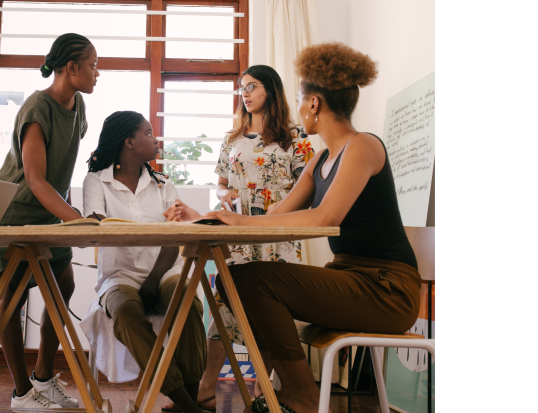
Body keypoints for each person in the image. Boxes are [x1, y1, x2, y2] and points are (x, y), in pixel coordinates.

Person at [166, 42, 421, 413]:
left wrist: (236, 218)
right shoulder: (321, 159)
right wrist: (205, 217)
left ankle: (300, 394)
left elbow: (324, 218)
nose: (299, 107)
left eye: (301, 99)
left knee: (252, 281)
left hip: (386, 288)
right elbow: (271, 220)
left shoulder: (363, 146)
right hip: (351, 277)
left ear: (314, 103)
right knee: (238, 280)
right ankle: (292, 392)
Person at [164, 65, 315, 412]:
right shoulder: (231, 138)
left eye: (252, 86)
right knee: (222, 308)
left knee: (271, 314)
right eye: (241, 88)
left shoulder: (296, 138)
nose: (245, 94)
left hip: (277, 234)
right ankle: (205, 390)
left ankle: (261, 395)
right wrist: (225, 195)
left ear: (271, 90)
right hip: (236, 233)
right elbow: (221, 183)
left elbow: (309, 188)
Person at [0, 33, 99, 410]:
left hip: (51, 214)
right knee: (14, 298)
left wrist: (70, 216)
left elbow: (64, 168)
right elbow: (34, 179)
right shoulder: (37, 106)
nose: (98, 73)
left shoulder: (78, 106)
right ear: (71, 68)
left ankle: (44, 379)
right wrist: (78, 220)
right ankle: (21, 393)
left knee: (62, 286)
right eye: (93, 66)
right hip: (15, 214)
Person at [83, 111, 208, 413]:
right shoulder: (97, 182)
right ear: (129, 142)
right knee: (126, 315)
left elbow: (172, 240)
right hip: (119, 277)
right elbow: (96, 230)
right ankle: (188, 405)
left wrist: (152, 281)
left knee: (189, 305)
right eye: (149, 133)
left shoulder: (163, 183)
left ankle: (185, 404)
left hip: (164, 273)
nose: (156, 139)